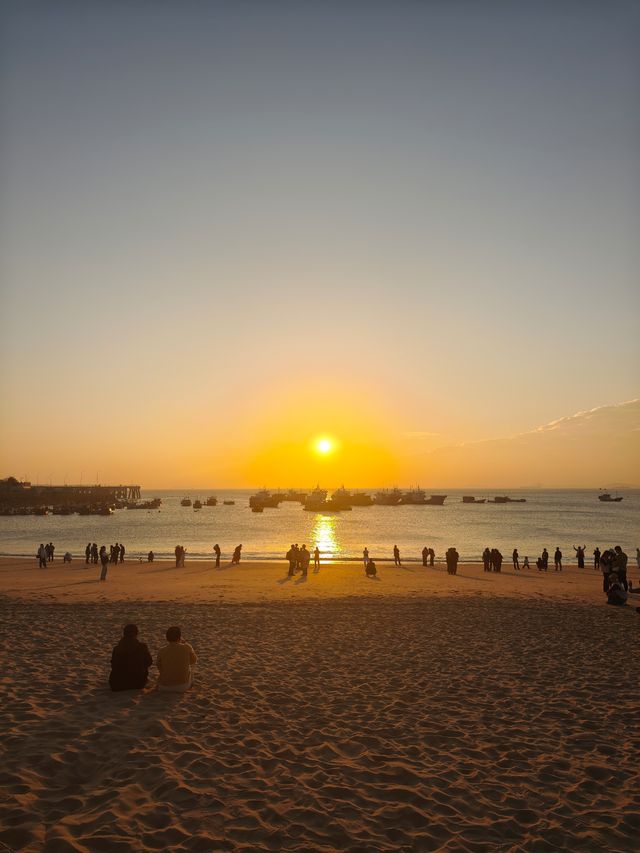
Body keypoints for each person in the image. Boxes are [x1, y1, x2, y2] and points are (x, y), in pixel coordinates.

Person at [109, 624, 153, 691]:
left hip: (117, 684)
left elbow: (113, 665)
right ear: (136, 634)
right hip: (137, 684)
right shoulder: (142, 647)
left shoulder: (117, 649)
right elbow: (149, 662)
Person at [157, 626, 197, 692]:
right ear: (179, 637)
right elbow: (193, 661)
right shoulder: (187, 647)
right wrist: (186, 644)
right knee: (190, 668)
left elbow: (159, 666)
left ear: (167, 638)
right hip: (183, 686)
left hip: (164, 687)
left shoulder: (161, 650)